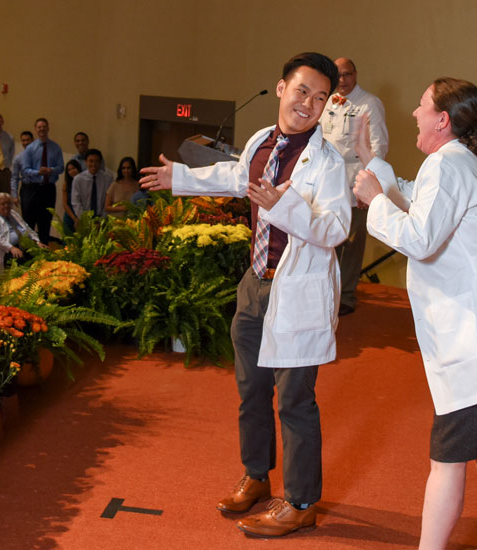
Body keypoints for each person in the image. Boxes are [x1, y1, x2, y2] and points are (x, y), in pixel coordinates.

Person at [140, 52, 348, 538]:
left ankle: (299, 502)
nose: (308, 104)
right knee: (251, 390)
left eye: (320, 99)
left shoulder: (328, 162)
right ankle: (257, 476)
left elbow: (336, 229)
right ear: (281, 89)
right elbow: (237, 176)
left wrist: (287, 206)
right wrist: (182, 179)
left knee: (295, 400)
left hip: (297, 291)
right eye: (302, 92)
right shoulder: (262, 141)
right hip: (255, 284)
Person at [353, 77, 477, 550]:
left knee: (447, 457)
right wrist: (371, 164)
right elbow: (418, 200)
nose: (414, 115)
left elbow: (419, 238)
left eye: (421, 107)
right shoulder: (454, 163)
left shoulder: (447, 167)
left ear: (442, 120)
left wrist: (374, 200)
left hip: (476, 336)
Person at [321, 57, 389, 316]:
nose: (342, 80)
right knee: (327, 237)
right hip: (328, 180)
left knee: (351, 240)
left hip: (355, 178)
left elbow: (379, 147)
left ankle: (346, 295)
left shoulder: (370, 103)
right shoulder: (326, 100)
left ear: (355, 74)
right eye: (337, 76)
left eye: (347, 74)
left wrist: (368, 182)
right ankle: (327, 292)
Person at [20, 118, 63, 243]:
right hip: (33, 188)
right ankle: (29, 252)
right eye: (39, 127)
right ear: (35, 129)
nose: (42, 129)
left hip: (48, 189)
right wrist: (38, 172)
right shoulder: (30, 148)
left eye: (44, 126)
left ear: (48, 128)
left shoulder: (56, 148)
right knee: (29, 221)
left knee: (45, 221)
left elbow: (61, 167)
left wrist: (51, 170)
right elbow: (25, 170)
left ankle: (44, 250)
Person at [0, 192, 45, 266]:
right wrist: (11, 248)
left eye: (8, 203)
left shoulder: (13, 213)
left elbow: (26, 228)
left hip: (25, 245)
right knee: (20, 260)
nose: (6, 206)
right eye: (3, 204)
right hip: (7, 249)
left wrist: (37, 241)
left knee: (43, 253)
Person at [71, 149, 113, 219]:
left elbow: (109, 201)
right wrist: (85, 219)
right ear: (86, 162)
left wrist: (102, 219)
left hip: (102, 218)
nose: (93, 164)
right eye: (91, 161)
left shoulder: (108, 179)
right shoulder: (78, 179)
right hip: (84, 218)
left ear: (100, 162)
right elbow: (76, 202)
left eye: (96, 161)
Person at [10, 130, 34, 206]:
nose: (26, 142)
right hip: (26, 189)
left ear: (32, 141)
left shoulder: (40, 156)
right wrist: (15, 195)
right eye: (23, 140)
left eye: (28, 140)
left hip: (39, 188)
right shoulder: (18, 158)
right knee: (26, 215)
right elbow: (14, 178)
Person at [61, 160, 81, 233]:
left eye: (74, 168)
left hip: (81, 216)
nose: (72, 171)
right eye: (69, 170)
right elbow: (64, 204)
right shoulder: (66, 184)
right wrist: (74, 218)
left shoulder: (84, 183)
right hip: (69, 216)